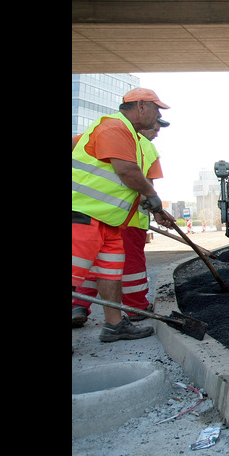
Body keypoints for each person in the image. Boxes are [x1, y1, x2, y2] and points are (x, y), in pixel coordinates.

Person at [72, 88, 176, 343]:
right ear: (141, 106)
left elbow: (128, 184)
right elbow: (127, 171)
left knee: (110, 273)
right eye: (156, 109)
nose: (157, 117)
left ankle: (114, 325)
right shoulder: (114, 128)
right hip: (84, 216)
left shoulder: (131, 137)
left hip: (109, 222)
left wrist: (156, 209)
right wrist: (152, 195)